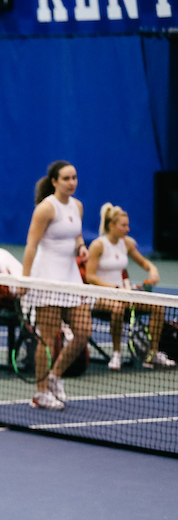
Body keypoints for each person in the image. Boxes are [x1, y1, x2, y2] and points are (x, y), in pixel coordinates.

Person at [22, 161, 91, 411]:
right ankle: (41, 393)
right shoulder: (45, 209)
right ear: (54, 182)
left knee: (83, 332)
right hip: (47, 277)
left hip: (70, 277)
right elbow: (31, 245)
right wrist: (25, 280)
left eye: (74, 177)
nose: (72, 182)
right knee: (48, 339)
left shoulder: (77, 206)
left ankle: (55, 375)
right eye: (66, 178)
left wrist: (81, 246)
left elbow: (77, 234)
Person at [85, 203, 175, 369]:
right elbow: (90, 276)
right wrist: (115, 289)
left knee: (158, 307)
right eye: (124, 225)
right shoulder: (98, 245)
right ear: (111, 225)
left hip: (123, 294)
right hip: (100, 296)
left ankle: (153, 354)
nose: (128, 229)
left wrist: (153, 270)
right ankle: (116, 354)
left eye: (128, 225)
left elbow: (144, 262)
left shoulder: (126, 244)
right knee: (118, 308)